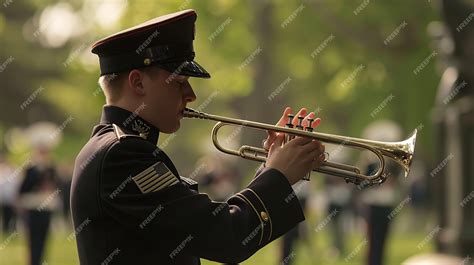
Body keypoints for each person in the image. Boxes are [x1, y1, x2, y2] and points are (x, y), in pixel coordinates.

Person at [71, 9, 326, 265]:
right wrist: (278, 176)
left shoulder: (123, 149)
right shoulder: (122, 154)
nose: (191, 94)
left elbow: (205, 224)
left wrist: (270, 166)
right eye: (180, 81)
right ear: (138, 83)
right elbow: (226, 236)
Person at [17, 147, 60, 265]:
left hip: (46, 209)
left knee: (44, 239)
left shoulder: (51, 168)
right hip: (33, 209)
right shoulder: (30, 169)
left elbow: (56, 186)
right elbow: (22, 190)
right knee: (33, 240)